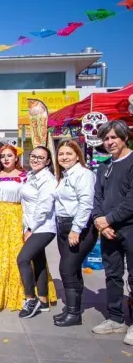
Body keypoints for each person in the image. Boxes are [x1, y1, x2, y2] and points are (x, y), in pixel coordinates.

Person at [0, 144, 57, 311]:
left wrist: (30, 225)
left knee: (21, 256)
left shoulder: (26, 176)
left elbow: (33, 199)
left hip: (16, 218)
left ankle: (31, 295)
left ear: (16, 157)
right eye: (3, 156)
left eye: (9, 155)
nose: (6, 159)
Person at [91, 120, 133, 343]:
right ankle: (115, 318)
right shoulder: (104, 166)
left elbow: (130, 201)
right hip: (107, 231)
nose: (109, 142)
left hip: (129, 227)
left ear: (124, 137)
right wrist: (100, 221)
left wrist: (108, 220)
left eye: (114, 137)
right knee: (113, 274)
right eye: (106, 138)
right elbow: (96, 197)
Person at [52, 140, 97, 327]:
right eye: (61, 154)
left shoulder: (83, 174)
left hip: (79, 228)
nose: (64, 157)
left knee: (67, 268)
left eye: (69, 154)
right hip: (63, 226)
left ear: (77, 155)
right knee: (73, 269)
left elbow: (86, 203)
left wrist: (76, 229)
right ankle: (73, 307)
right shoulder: (64, 176)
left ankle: (73, 314)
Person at [17, 147, 58, 319]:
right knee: (38, 260)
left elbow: (44, 207)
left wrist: (30, 229)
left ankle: (30, 299)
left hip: (42, 227)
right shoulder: (32, 175)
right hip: (33, 225)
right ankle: (43, 299)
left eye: (40, 158)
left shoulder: (48, 180)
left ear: (48, 161)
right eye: (33, 156)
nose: (35, 160)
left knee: (23, 259)